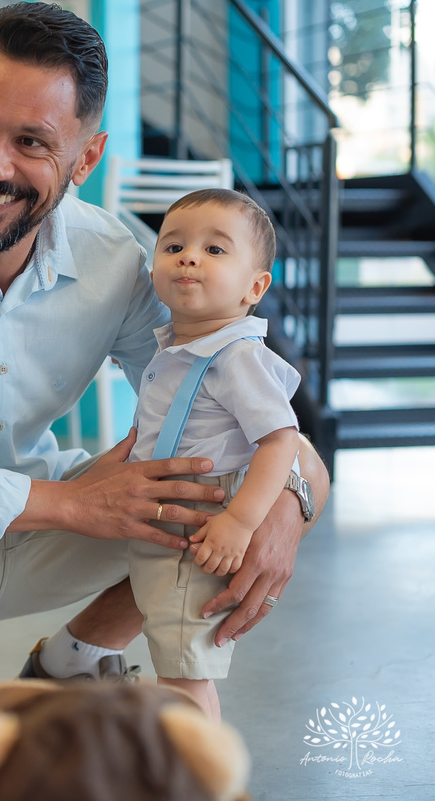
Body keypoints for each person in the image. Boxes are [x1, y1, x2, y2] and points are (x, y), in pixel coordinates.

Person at [0, 2, 328, 713]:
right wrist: (70, 501)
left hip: (53, 532)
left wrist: (283, 511)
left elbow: (285, 442)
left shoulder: (116, 260)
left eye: (31, 142)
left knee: (235, 482)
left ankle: (77, 654)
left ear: (86, 157)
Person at [127, 188, 303, 722]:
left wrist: (239, 522)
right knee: (178, 659)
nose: (189, 256)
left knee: (183, 672)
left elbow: (280, 439)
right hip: (171, 512)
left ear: (255, 287)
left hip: (205, 520)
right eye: (173, 245)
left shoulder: (237, 356)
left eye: (215, 249)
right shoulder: (182, 346)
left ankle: (199, 776)